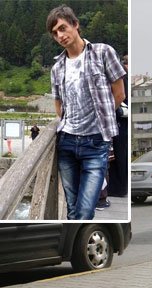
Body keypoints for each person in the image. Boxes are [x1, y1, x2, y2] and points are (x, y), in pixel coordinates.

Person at [48, 5, 126, 220]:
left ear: (76, 24)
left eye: (63, 28)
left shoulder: (103, 52)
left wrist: (102, 118)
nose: (60, 36)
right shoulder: (57, 68)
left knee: (85, 209)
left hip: (95, 143)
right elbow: (58, 105)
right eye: (55, 33)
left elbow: (119, 93)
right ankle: (74, 253)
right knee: (72, 208)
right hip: (66, 142)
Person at [108, 52, 129, 197]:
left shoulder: (118, 74)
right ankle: (117, 188)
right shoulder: (123, 73)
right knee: (118, 156)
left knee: (117, 156)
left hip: (119, 120)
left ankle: (117, 189)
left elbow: (120, 96)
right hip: (121, 121)